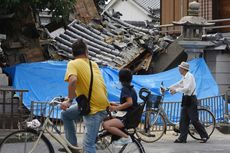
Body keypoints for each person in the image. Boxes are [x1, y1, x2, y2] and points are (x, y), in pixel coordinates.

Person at [60, 39, 110, 153]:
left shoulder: (72, 63)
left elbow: (72, 81)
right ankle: (72, 146)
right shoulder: (94, 64)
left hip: (93, 108)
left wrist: (69, 100)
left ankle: (78, 146)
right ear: (86, 52)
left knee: (88, 145)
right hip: (99, 103)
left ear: (73, 53)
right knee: (66, 114)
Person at [169, 61, 209, 143]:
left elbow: (187, 88)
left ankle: (204, 136)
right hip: (186, 98)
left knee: (194, 120)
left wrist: (176, 90)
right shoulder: (184, 77)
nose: (179, 69)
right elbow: (178, 84)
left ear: (184, 69)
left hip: (191, 99)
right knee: (183, 120)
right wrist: (167, 88)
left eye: (180, 68)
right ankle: (182, 138)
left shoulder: (190, 76)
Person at [102, 68, 138, 145]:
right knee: (105, 119)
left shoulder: (125, 88)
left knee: (106, 124)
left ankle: (126, 137)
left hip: (126, 118)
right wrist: (115, 104)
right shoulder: (132, 88)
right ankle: (112, 139)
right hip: (131, 116)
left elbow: (129, 103)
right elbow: (129, 105)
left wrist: (116, 108)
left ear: (120, 78)